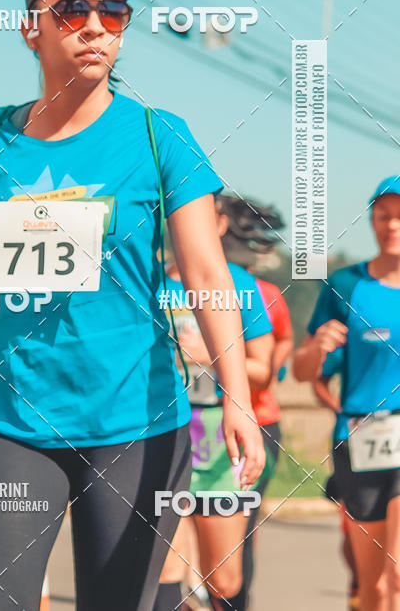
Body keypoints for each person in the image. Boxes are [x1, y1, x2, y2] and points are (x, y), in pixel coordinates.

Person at [0, 0, 265, 611]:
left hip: (137, 420)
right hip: (10, 421)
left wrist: (238, 396)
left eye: (113, 10)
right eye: (72, 9)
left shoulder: (162, 138)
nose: (95, 25)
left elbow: (206, 273)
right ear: (30, 28)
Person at [156, 197, 273, 611]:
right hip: (165, 432)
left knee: (224, 580)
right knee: (168, 569)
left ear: (221, 225)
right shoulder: (151, 282)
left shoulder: (239, 284)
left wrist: (211, 355)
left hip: (220, 441)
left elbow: (264, 367)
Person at [294, 176, 400, 611]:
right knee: (371, 587)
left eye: (399, 216)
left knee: (397, 576)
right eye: (383, 216)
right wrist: (317, 347)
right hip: (360, 439)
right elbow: (302, 371)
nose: (392, 225)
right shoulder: (346, 286)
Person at [214, 195, 293, 608]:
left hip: (255, 421)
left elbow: (279, 353)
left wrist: (233, 369)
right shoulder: (170, 283)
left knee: (239, 535)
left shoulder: (261, 293)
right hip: (191, 425)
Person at [312, 347, 360, 611]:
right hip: (352, 442)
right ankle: (358, 584)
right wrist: (343, 410)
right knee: (354, 527)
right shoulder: (356, 327)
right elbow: (318, 381)